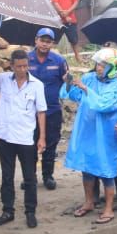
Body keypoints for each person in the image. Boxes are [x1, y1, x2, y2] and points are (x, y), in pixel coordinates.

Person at [0, 47, 47, 228]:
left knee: (29, 177)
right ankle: (8, 210)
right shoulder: (4, 80)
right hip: (6, 137)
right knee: (7, 177)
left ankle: (30, 212)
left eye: (25, 66)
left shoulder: (37, 85)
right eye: (18, 66)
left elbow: (41, 112)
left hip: (26, 138)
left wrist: (42, 138)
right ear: (12, 66)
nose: (22, 70)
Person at [64, 48, 117, 224]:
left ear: (113, 68)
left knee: (106, 171)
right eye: (98, 64)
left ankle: (108, 208)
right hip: (87, 131)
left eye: (103, 65)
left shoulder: (116, 87)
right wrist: (69, 84)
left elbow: (103, 105)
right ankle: (89, 202)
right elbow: (75, 95)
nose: (99, 68)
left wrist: (85, 89)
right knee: (87, 168)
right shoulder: (89, 78)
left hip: (105, 135)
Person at [27, 28, 70, 190]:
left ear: (52, 43)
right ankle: (29, 177)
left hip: (52, 110)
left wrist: (70, 80)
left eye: (48, 41)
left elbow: (67, 81)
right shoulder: (27, 59)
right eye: (42, 40)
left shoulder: (59, 61)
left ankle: (48, 176)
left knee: (50, 144)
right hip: (29, 111)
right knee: (29, 144)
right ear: (36, 40)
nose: (44, 44)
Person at [49, 0, 83, 65]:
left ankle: (77, 56)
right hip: (58, 20)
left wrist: (68, 12)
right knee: (53, 40)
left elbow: (76, 2)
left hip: (71, 19)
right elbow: (55, 3)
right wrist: (63, 13)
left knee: (74, 40)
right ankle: (50, 57)